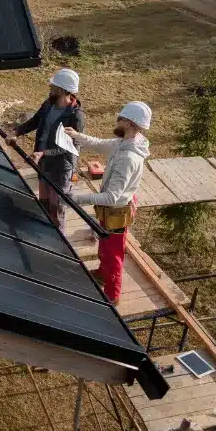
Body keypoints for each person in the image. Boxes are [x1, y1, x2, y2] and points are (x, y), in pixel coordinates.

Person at [63, 101, 152, 305]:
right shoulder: (126, 142)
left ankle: (112, 296)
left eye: (120, 118)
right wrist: (77, 136)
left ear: (129, 123)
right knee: (105, 246)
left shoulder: (129, 157)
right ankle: (103, 274)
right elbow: (100, 143)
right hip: (111, 210)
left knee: (114, 256)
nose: (116, 120)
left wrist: (78, 199)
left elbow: (112, 197)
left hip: (117, 211)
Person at [6, 68, 85, 232]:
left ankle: (59, 242)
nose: (50, 87)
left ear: (62, 90)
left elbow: (70, 146)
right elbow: (35, 121)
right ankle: (44, 233)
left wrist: (44, 153)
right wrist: (16, 132)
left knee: (57, 207)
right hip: (44, 163)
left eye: (53, 85)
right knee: (44, 203)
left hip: (61, 168)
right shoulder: (48, 104)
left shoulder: (75, 116)